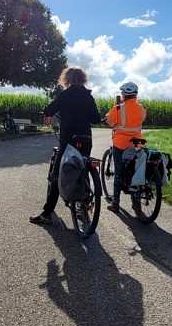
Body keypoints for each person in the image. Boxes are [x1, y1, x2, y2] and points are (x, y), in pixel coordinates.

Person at [30, 67, 101, 225]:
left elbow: (49, 110)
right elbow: (96, 118)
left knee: (57, 173)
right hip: (85, 137)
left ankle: (47, 214)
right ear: (83, 79)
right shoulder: (88, 96)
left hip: (68, 139)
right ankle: (83, 208)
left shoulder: (65, 95)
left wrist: (48, 113)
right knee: (84, 167)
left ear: (66, 79)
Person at [104, 82, 147, 212]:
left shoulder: (118, 108)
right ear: (135, 95)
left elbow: (109, 121)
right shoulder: (142, 109)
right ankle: (136, 202)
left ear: (123, 95)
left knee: (118, 171)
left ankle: (115, 203)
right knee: (135, 171)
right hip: (137, 145)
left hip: (121, 145)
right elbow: (142, 120)